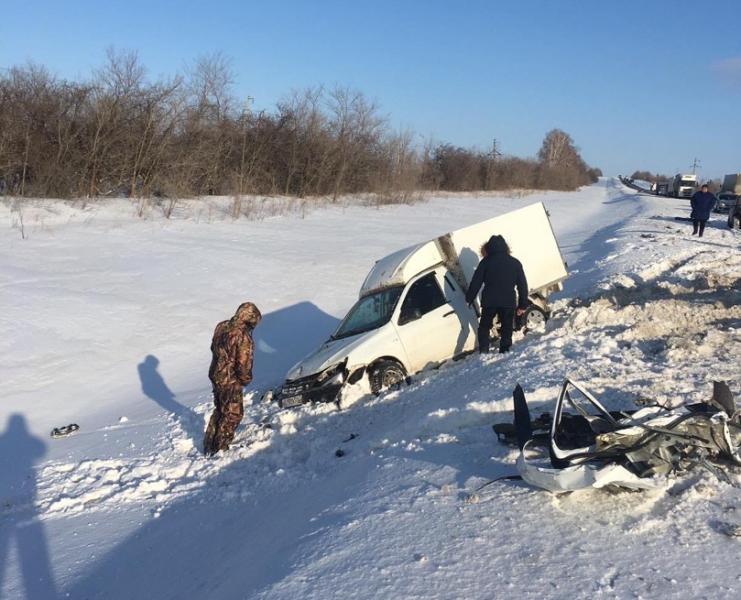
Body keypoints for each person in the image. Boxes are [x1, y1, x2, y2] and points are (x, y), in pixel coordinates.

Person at [203, 302, 262, 455]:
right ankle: (220, 448)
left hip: (216, 373)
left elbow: (214, 348)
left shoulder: (222, 326)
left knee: (221, 409)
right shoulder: (243, 336)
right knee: (233, 413)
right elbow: (244, 364)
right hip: (230, 379)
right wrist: (246, 379)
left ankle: (209, 444)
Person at [465, 235, 528, 354]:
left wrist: (469, 298)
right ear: (505, 247)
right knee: (507, 327)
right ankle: (505, 350)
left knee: (484, 326)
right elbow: (522, 285)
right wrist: (522, 305)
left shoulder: (485, 262)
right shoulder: (515, 263)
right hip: (508, 301)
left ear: (489, 247)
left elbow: (476, 282)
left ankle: (484, 350)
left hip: (490, 301)